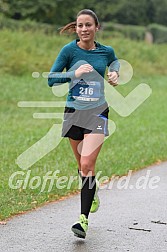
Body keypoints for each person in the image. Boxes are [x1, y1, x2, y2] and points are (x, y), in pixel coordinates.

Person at [48, 9, 119, 239]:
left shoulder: (105, 51)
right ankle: (93, 191)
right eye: (80, 25)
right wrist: (74, 74)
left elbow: (114, 62)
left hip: (98, 112)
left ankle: (83, 220)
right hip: (74, 113)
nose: (84, 29)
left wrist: (115, 73)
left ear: (96, 27)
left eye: (88, 25)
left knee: (88, 163)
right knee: (82, 166)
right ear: (76, 28)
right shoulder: (69, 50)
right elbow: (51, 79)